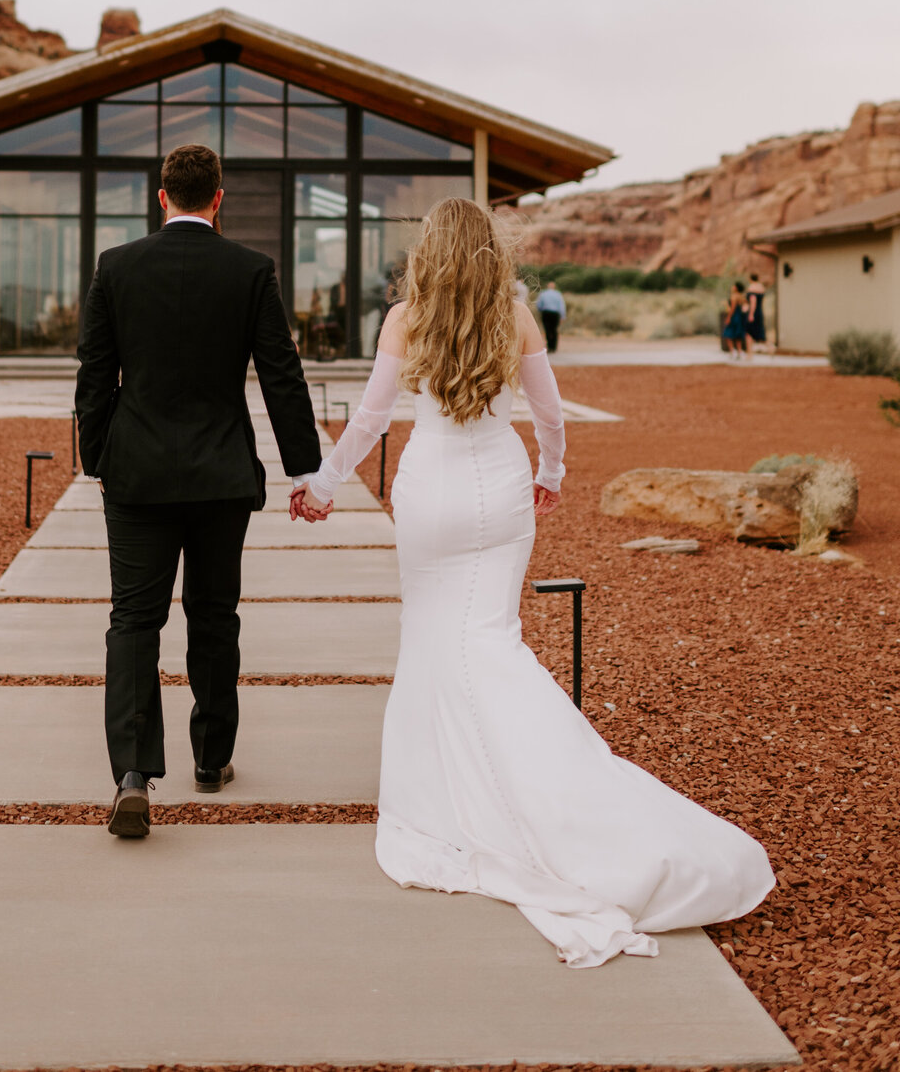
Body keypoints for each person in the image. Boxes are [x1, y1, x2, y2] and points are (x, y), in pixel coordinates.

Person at [291, 199, 774, 968]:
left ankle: (449, 796)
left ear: (429, 251)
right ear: (488, 248)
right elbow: (550, 417)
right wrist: (549, 474)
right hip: (499, 489)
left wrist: (321, 484)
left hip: (430, 491)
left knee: (431, 639)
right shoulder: (516, 315)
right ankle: (546, 781)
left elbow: (371, 421)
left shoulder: (403, 319)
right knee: (492, 639)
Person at [76, 141, 322, 839]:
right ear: (219, 198)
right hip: (220, 476)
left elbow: (95, 372)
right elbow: (281, 373)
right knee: (214, 615)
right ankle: (212, 756)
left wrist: (98, 455)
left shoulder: (117, 267)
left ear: (162, 198)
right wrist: (305, 469)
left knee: (134, 619)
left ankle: (132, 772)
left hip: (137, 475)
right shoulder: (250, 270)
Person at [534, 278, 566, 353]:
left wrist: (541, 311)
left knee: (547, 330)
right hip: (555, 313)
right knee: (554, 330)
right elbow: (561, 305)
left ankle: (549, 346)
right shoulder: (558, 294)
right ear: (554, 287)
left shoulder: (543, 293)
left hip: (546, 313)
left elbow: (539, 305)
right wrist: (562, 316)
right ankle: (554, 347)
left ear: (548, 286)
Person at [722, 281, 750, 361]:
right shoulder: (742, 297)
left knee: (728, 333)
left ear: (736, 288)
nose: (732, 287)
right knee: (738, 335)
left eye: (734, 286)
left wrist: (729, 317)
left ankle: (732, 351)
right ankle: (739, 352)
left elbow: (733, 308)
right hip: (740, 316)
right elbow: (746, 305)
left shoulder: (734, 296)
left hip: (734, 316)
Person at [745, 273, 768, 349]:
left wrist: (751, 314)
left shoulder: (752, 288)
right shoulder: (761, 287)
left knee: (748, 333)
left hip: (753, 312)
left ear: (750, 279)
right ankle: (770, 348)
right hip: (760, 311)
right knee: (760, 333)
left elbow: (753, 302)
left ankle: (749, 353)